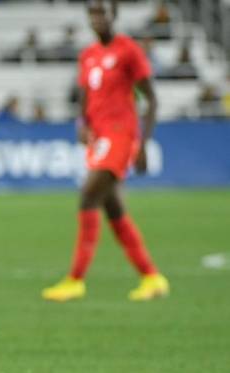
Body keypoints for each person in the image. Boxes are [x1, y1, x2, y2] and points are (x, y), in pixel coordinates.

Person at [42, 0, 169, 302]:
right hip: (99, 137)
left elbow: (150, 100)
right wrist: (81, 124)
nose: (97, 18)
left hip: (121, 134)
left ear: (115, 15)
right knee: (113, 210)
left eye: (103, 12)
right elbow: (86, 96)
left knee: (88, 195)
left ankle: (75, 279)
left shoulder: (128, 50)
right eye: (92, 13)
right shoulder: (88, 55)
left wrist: (144, 143)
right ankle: (152, 277)